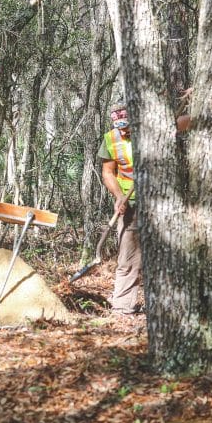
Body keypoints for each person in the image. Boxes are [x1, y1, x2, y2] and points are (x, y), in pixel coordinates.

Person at [98, 102, 141, 314]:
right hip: (129, 205)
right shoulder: (111, 138)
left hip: (161, 203)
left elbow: (185, 121)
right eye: (119, 126)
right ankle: (123, 306)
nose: (123, 130)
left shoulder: (152, 128)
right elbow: (108, 172)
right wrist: (118, 196)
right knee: (127, 258)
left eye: (127, 126)